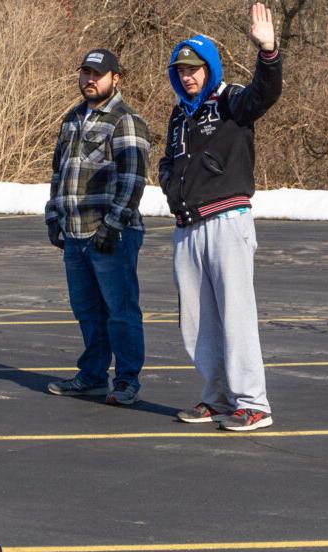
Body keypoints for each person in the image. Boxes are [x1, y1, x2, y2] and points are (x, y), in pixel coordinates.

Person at [158, 3, 282, 431]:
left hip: (227, 221)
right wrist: (169, 185)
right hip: (187, 226)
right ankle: (217, 397)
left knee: (236, 314)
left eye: (194, 68)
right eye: (181, 70)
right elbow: (169, 161)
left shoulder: (230, 100)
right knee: (196, 320)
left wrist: (268, 52)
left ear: (208, 68)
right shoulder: (180, 114)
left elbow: (264, 95)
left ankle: (254, 403)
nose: (188, 75)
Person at [44, 49, 150, 406]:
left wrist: (113, 224)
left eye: (98, 74)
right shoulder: (73, 118)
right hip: (74, 234)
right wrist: (52, 215)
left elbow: (134, 179)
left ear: (115, 78)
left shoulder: (125, 120)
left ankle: (126, 380)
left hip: (111, 235)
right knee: (87, 310)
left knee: (120, 311)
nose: (90, 80)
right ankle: (91, 376)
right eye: (86, 73)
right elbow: (59, 172)